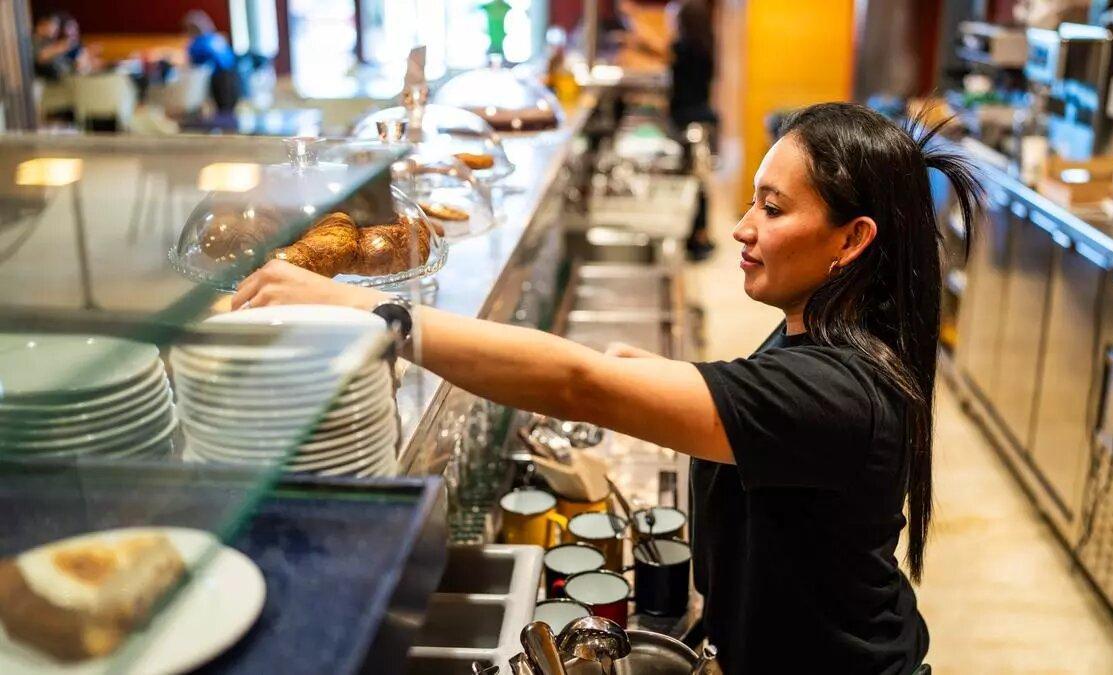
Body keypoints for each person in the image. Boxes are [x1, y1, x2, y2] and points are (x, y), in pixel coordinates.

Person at [232, 103, 984, 674]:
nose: (742, 228)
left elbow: (580, 383)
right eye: (753, 200)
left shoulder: (835, 393)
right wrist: (641, 375)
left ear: (852, 241)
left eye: (774, 208)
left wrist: (377, 310)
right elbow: (729, 395)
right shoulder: (817, 330)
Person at [666, 0, 718, 260]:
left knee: (694, 182)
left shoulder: (684, 49)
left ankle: (698, 237)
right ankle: (701, 235)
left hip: (690, 120)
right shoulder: (706, 44)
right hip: (702, 117)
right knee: (700, 182)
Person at [181, 9, 239, 112]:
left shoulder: (197, 43)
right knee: (229, 110)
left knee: (222, 109)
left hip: (219, 78)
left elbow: (194, 66)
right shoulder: (217, 38)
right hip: (233, 74)